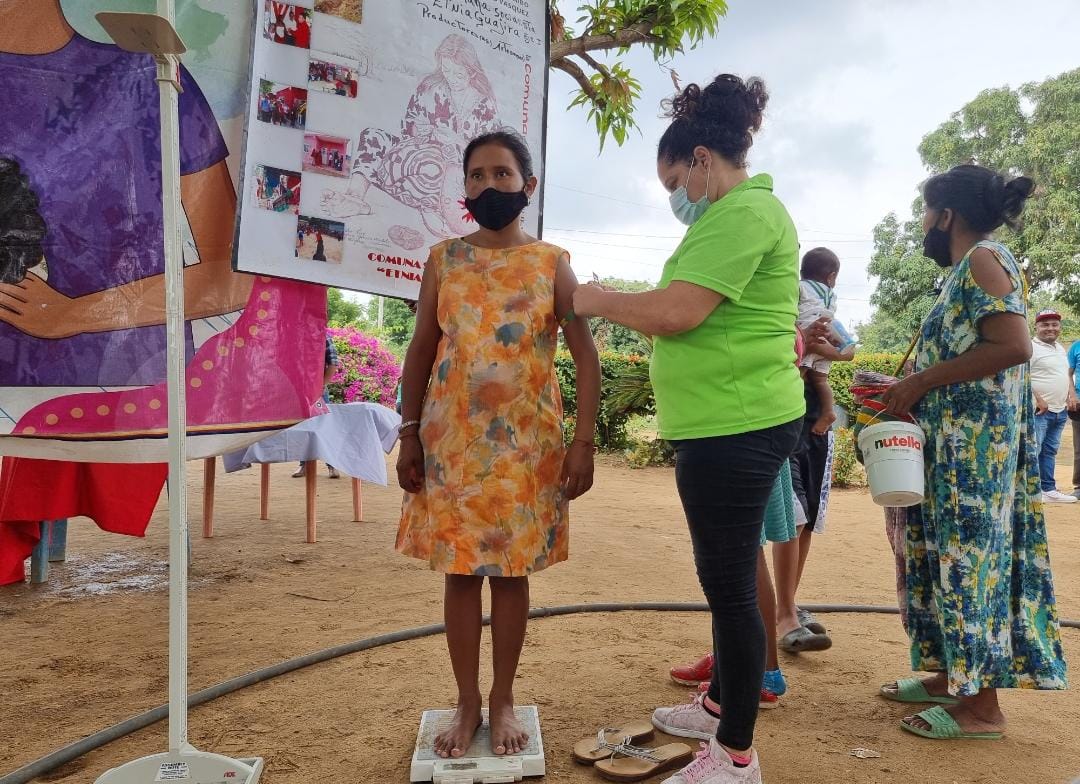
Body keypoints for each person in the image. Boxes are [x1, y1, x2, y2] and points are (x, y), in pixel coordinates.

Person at [573, 73, 804, 783]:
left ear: (702, 160)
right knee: (724, 580)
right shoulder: (737, 217)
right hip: (727, 423)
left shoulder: (741, 215)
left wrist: (595, 298)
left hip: (736, 427)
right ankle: (716, 705)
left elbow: (677, 312)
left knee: (731, 587)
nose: (676, 197)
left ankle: (735, 754)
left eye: (676, 179)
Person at [396, 130, 600, 759]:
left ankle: (504, 697)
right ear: (464, 188)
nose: (490, 185)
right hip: (452, 448)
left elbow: (587, 359)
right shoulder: (444, 260)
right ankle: (465, 702)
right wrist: (407, 434)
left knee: (510, 578)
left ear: (527, 186)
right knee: (461, 576)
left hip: (524, 453)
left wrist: (584, 442)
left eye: (503, 174)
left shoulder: (551, 263)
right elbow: (422, 352)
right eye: (477, 175)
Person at [879, 164, 1067, 740]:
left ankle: (983, 708)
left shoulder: (986, 259)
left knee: (972, 569)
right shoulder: (968, 268)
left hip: (975, 461)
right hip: (953, 456)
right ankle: (949, 675)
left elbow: (1012, 346)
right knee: (943, 563)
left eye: (924, 213)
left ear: (946, 215)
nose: (922, 225)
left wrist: (919, 383)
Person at [322, 34, 500, 236]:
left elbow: (493, 156)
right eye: (446, 69)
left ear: (471, 71)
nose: (451, 78)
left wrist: (457, 141)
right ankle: (355, 197)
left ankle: (431, 206)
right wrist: (420, 129)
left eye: (458, 74)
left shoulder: (484, 105)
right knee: (373, 137)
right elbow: (408, 125)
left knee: (432, 171)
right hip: (417, 154)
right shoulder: (431, 87)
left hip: (456, 173)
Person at [796, 247, 855, 435]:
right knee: (821, 380)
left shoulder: (799, 287)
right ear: (831, 277)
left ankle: (793, 412)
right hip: (827, 336)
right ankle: (828, 411)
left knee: (799, 374)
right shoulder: (831, 295)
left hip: (806, 336)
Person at [1029, 309, 1076, 503]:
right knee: (1034, 450)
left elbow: (1064, 375)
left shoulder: (1059, 348)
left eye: (1054, 324)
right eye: (1045, 324)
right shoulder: (1029, 347)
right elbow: (1022, 376)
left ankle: (1048, 489)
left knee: (1049, 451)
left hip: (1059, 410)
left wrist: (1068, 395)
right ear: (1036, 327)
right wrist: (1038, 399)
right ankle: (1030, 492)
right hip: (1040, 410)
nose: (1050, 328)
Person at [293, 335, 341, 478]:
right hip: (298, 391)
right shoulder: (294, 335)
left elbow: (333, 363)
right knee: (303, 428)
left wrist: (323, 384)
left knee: (324, 427)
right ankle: (304, 465)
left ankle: (332, 465)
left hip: (318, 390)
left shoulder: (324, 336)